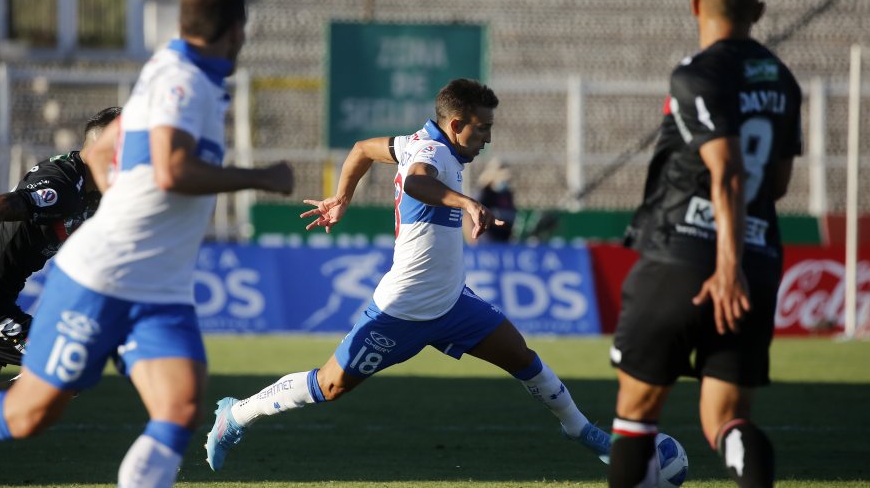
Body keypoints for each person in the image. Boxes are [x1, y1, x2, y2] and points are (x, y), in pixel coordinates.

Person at [205, 78, 612, 472]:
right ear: (456, 124)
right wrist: (466, 202)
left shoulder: (417, 142)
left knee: (523, 358)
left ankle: (580, 430)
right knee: (329, 386)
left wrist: (342, 197)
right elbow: (418, 182)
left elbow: (362, 149)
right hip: (402, 309)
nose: (488, 137)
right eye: (482, 127)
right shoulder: (432, 151)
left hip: (453, 302)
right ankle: (237, 414)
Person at [0, 0, 294, 487]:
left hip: (158, 284)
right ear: (238, 30)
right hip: (107, 274)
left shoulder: (174, 72)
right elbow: (172, 171)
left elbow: (99, 150)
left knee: (179, 406)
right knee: (29, 415)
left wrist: (118, 182)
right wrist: (261, 176)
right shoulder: (183, 81)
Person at [607, 0, 802, 487]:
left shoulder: (697, 74)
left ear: (696, 4)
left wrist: (725, 266)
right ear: (758, 9)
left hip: (684, 259)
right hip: (757, 259)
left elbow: (730, 171)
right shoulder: (782, 81)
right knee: (726, 420)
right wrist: (740, 262)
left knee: (637, 410)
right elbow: (775, 184)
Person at [0, 106, 121, 379]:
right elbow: (7, 205)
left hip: (5, 296)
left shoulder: (100, 192)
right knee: (65, 369)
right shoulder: (62, 182)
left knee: (64, 372)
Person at [471, 157, 517, 243]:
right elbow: (469, 216)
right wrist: (473, 241)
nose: (506, 182)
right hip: (487, 242)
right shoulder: (484, 193)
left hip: (504, 240)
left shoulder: (507, 194)